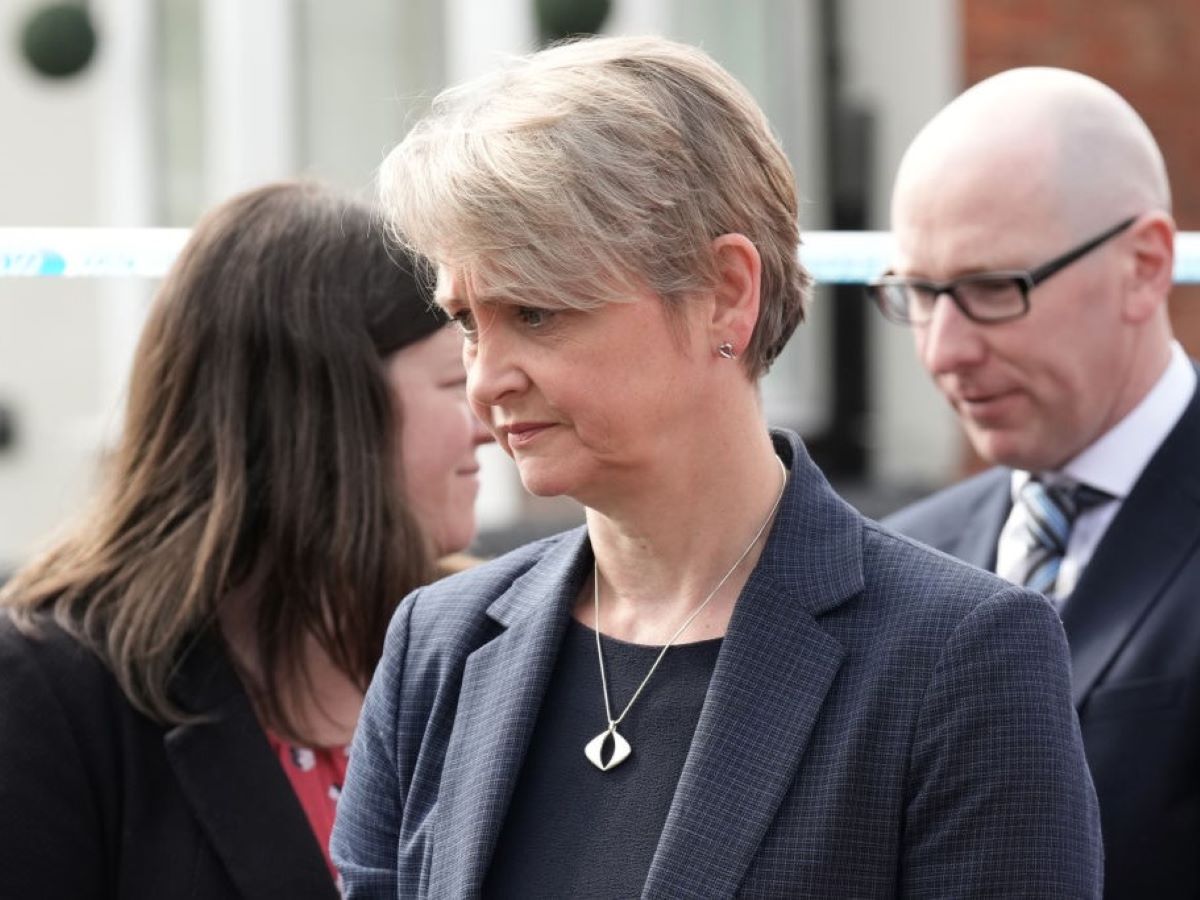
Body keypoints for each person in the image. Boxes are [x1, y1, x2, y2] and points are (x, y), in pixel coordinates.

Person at [331, 36, 1102, 898]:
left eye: (537, 313)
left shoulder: (956, 657)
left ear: (726, 293)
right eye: (469, 322)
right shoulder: (440, 643)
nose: (486, 380)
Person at [0, 180, 492, 899]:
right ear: (326, 415)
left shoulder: (489, 654)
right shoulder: (55, 692)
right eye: (455, 382)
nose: (487, 423)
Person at [873, 68, 1199, 899]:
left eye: (992, 288)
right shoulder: (902, 559)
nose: (944, 350)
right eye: (917, 293)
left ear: (1145, 265)